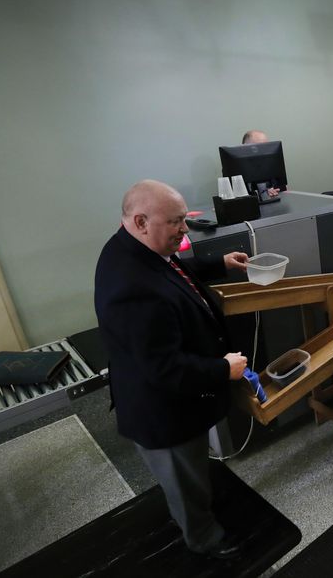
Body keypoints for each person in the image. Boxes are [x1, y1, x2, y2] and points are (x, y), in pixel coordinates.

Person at [94, 179, 251, 559]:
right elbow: (165, 369)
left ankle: (201, 515)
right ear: (141, 220)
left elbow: (171, 272)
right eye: (176, 222)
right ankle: (205, 539)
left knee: (192, 471)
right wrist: (221, 369)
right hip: (161, 410)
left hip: (173, 400)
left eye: (184, 219)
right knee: (182, 480)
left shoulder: (135, 246)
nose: (184, 229)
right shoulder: (132, 287)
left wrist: (218, 262)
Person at [241, 129, 282, 197]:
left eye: (265, 146)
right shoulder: (236, 166)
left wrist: (277, 190)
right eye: (257, 147)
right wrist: (262, 193)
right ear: (244, 147)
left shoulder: (272, 162)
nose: (263, 150)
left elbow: (281, 188)